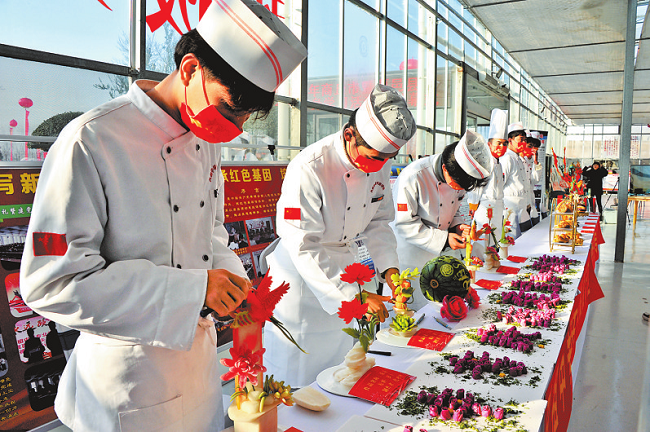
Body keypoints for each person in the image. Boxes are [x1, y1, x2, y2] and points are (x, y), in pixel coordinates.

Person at [19, 1, 307, 430]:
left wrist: (232, 282)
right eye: (230, 109)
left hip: (199, 370)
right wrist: (193, 291)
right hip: (128, 384)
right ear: (190, 70)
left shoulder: (204, 138)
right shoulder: (92, 140)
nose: (235, 127)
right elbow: (53, 283)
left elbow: (210, 233)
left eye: (244, 118)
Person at [263, 84, 415, 387]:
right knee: (298, 377)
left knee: (344, 372)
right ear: (349, 136)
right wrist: (355, 297)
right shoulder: (309, 167)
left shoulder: (378, 163)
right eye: (375, 157)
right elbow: (302, 243)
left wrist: (391, 272)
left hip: (347, 269)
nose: (381, 166)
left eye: (388, 158)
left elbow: (379, 223)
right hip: (301, 285)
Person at [392, 130, 492, 310]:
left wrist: (458, 227)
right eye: (456, 185)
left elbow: (453, 210)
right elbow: (404, 224)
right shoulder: (414, 176)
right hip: (409, 256)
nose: (458, 189)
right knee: (407, 312)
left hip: (437, 258)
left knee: (432, 312)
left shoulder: (457, 175)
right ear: (445, 169)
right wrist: (445, 238)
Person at [467, 109, 508, 246]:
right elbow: (476, 185)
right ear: (489, 144)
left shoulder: (499, 163)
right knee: (482, 242)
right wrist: (472, 205)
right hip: (485, 207)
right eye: (498, 143)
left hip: (498, 207)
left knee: (494, 241)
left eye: (504, 144)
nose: (501, 147)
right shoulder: (484, 161)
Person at [501, 122, 530, 237]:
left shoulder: (518, 159)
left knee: (523, 238)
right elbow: (500, 184)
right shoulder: (507, 158)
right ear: (510, 140)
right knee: (511, 240)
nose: (523, 143)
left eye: (525, 140)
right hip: (510, 206)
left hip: (521, 205)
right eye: (520, 140)